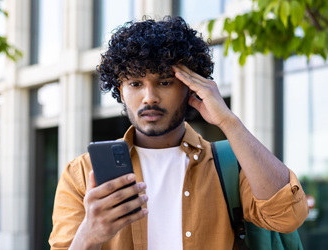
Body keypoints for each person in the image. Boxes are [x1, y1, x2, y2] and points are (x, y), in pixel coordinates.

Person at [49, 16, 308, 250]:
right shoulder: (82, 173)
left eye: (164, 82)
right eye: (135, 83)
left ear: (190, 86)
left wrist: (229, 121)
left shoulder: (231, 165)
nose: (149, 98)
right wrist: (89, 236)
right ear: (121, 89)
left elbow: (287, 217)